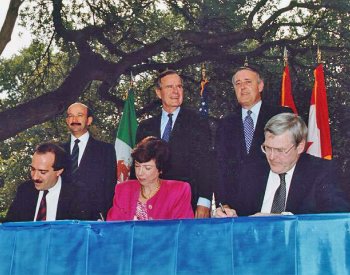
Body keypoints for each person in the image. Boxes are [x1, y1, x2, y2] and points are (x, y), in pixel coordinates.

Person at [216, 113, 350, 217]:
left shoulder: (321, 171)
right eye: (267, 148)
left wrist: (283, 220)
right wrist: (228, 212)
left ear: (300, 147)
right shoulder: (252, 170)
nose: (272, 157)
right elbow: (235, 208)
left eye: (280, 150)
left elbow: (338, 215)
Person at [135, 69, 212, 218]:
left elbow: (207, 162)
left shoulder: (198, 122)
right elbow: (137, 166)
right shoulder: (145, 126)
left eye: (179, 86)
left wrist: (204, 201)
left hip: (187, 202)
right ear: (159, 92)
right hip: (150, 202)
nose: (176, 91)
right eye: (170, 87)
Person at [215, 65, 292, 204]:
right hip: (236, 206)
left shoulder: (281, 115)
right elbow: (221, 167)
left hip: (272, 201)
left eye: (248, 82)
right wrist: (223, 204)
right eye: (238, 84)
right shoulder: (225, 124)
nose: (242, 87)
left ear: (260, 86)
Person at [107, 136, 194, 221]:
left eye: (147, 168)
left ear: (160, 169)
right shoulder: (123, 189)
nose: (140, 172)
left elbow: (183, 230)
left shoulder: (179, 191)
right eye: (137, 166)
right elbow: (113, 227)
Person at [63, 102, 116, 220]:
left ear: (89, 120)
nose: (74, 119)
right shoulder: (58, 151)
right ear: (67, 121)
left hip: (94, 220)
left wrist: (104, 216)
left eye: (79, 115)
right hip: (62, 220)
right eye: (70, 116)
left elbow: (110, 186)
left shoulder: (105, 150)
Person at [6, 143, 82, 222]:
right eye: (33, 169)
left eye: (42, 172)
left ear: (59, 171)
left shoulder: (77, 195)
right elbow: (10, 227)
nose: (35, 177)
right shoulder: (25, 190)